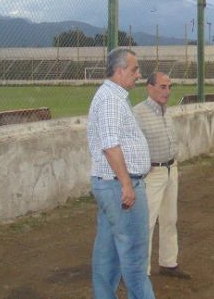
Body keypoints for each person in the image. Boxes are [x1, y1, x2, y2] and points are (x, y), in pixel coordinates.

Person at [87, 48, 155, 299]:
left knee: (108, 255)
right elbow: (109, 144)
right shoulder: (109, 100)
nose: (139, 74)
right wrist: (127, 184)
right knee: (135, 257)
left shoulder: (115, 97)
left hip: (113, 185)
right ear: (119, 71)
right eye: (134, 69)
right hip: (119, 186)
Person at [133, 71, 190, 279]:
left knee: (169, 219)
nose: (167, 91)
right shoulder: (138, 113)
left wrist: (174, 165)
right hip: (152, 173)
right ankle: (141, 272)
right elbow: (131, 145)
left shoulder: (167, 111)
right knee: (146, 223)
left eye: (169, 87)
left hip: (170, 169)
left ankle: (168, 262)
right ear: (150, 88)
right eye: (163, 87)